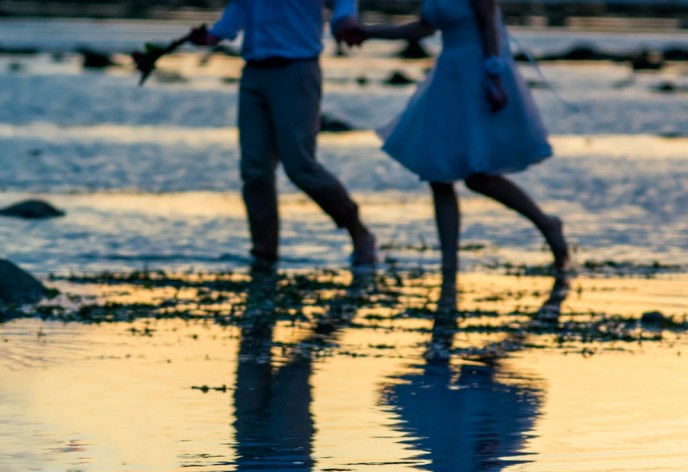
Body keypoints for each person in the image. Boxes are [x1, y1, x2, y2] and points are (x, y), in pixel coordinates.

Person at [339, 0, 570, 272]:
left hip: (480, 74)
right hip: (449, 77)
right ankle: (449, 266)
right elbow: (423, 29)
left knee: (478, 176)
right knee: (439, 175)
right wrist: (369, 32)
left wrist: (494, 75)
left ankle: (546, 223)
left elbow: (489, 24)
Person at [188, 1, 378, 269]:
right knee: (255, 171)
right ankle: (264, 253)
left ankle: (358, 232)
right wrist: (215, 34)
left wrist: (344, 20)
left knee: (300, 166)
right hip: (253, 72)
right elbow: (242, 5)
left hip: (297, 69)